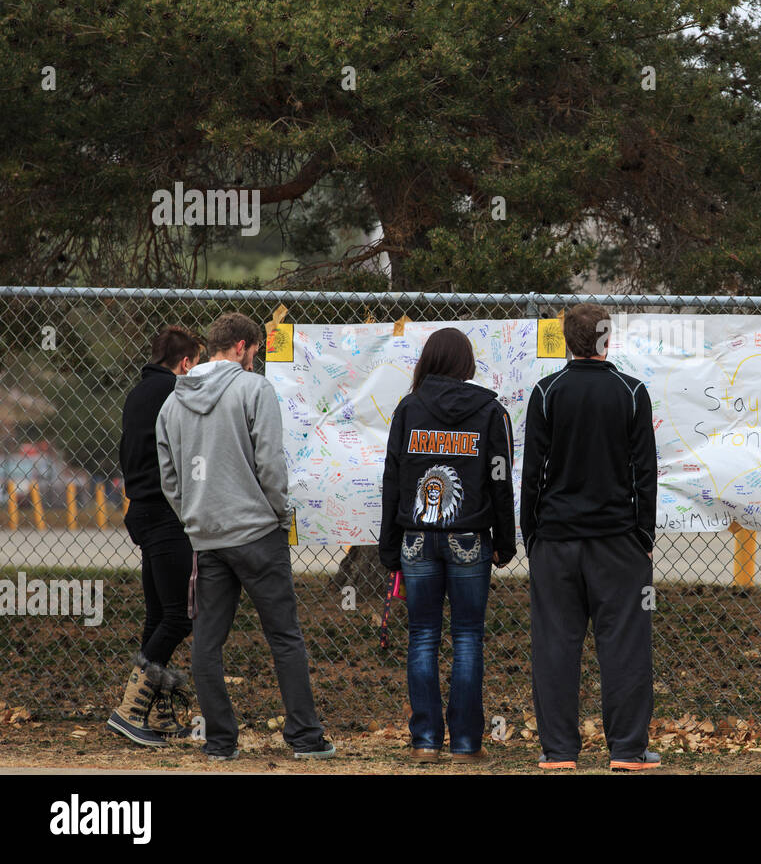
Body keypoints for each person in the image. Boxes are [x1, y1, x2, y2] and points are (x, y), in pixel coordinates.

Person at [156, 311, 334, 761]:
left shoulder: (172, 404)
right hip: (257, 532)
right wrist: (278, 512)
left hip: (207, 537)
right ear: (241, 347)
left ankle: (220, 741)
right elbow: (271, 461)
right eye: (254, 352)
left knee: (207, 642)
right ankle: (305, 737)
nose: (255, 361)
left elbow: (170, 478)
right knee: (284, 637)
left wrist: (194, 516)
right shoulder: (254, 390)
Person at [521, 303, 659, 771]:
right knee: (625, 646)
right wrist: (644, 534)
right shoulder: (632, 393)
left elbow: (532, 473)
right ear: (607, 339)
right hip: (618, 541)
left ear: (565, 339)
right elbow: (645, 471)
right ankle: (627, 750)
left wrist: (532, 537)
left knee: (555, 646)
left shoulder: (546, 393)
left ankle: (558, 751)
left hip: (556, 541)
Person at [378, 328, 517, 763]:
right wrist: (505, 541)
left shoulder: (408, 408)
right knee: (467, 637)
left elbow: (393, 479)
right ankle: (465, 746)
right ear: (466, 364)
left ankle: (423, 743)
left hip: (416, 539)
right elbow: (500, 479)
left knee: (422, 636)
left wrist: (390, 543)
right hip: (470, 538)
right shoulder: (490, 412)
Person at [108, 324, 204, 747]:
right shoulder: (176, 393)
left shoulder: (138, 392)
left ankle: (156, 711)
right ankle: (130, 710)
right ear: (186, 362)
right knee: (179, 617)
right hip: (166, 514)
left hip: (142, 510)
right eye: (196, 364)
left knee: (157, 614)